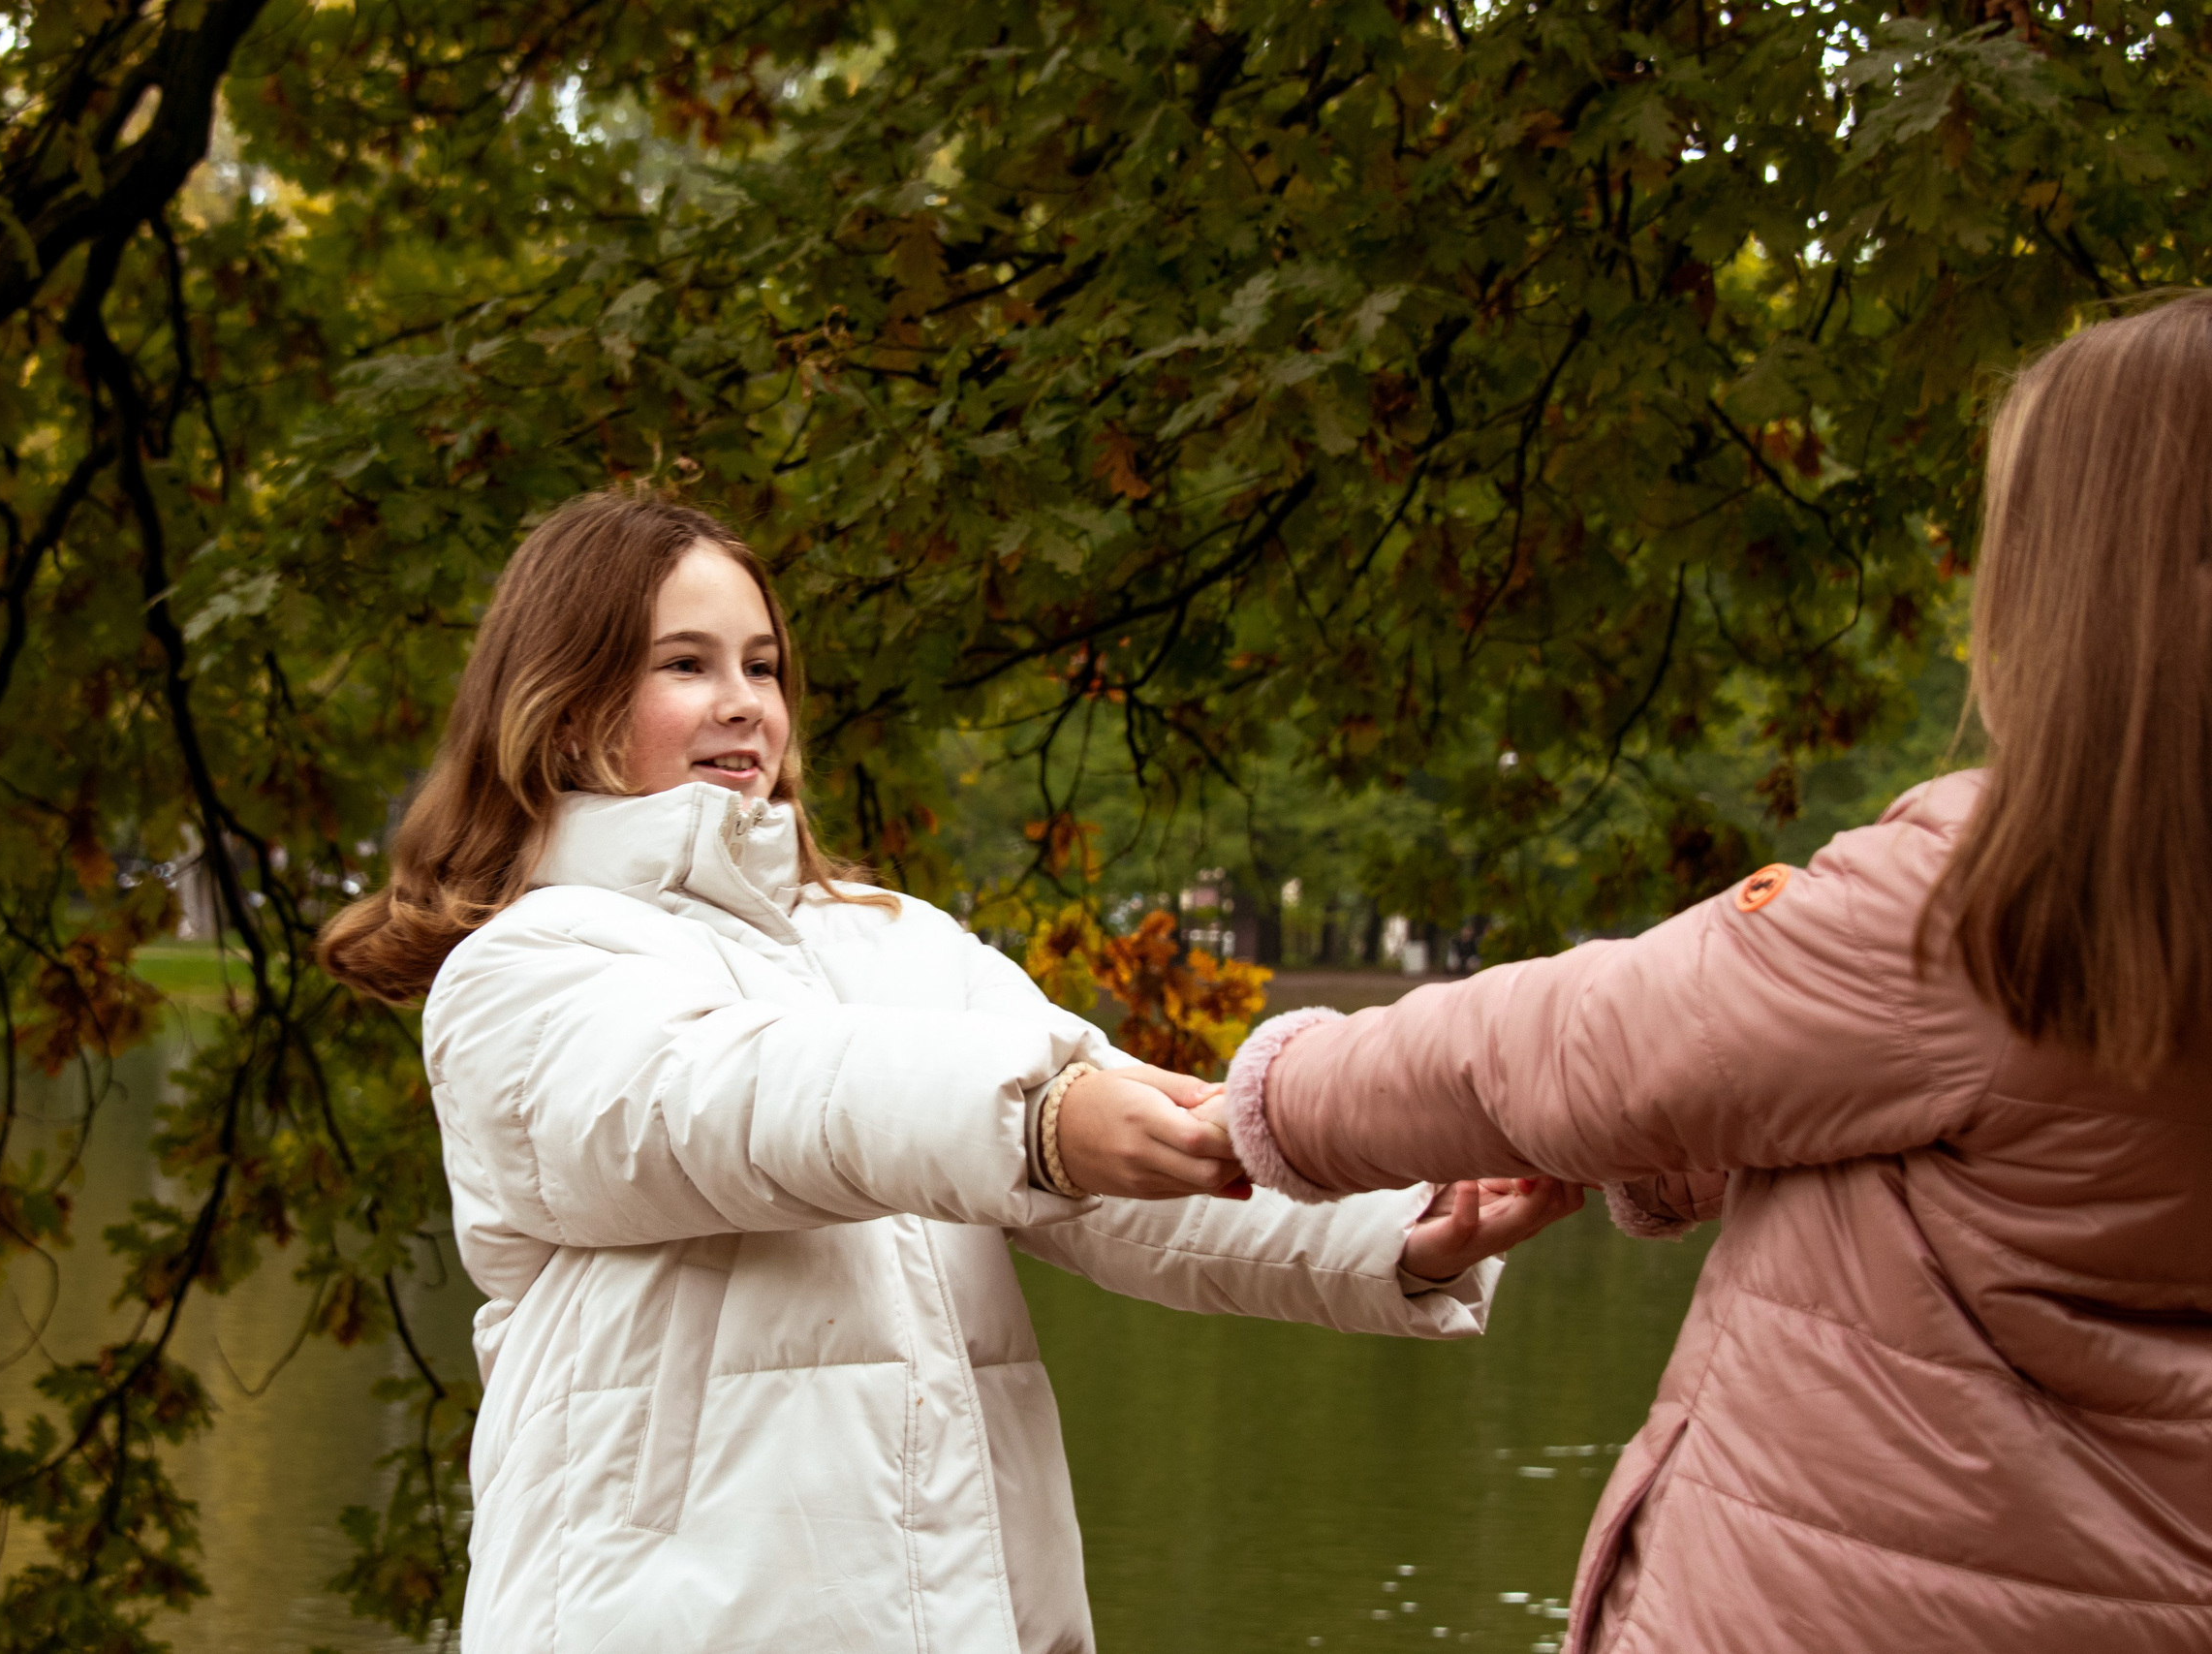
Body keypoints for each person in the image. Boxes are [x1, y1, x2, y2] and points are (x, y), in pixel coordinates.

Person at [317, 489, 1578, 1654]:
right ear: (566, 706)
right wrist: (1037, 1122)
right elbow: (736, 1100)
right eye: (685, 665)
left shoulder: (899, 945)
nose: (745, 701)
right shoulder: (527, 971)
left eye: (764, 665)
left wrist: (1402, 1225)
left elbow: (1129, 1140)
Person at [1215, 294, 2212, 1653]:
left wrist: (1280, 1096)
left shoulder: (1986, 911)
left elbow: (1566, 1048)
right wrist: (1680, 1159)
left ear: (2075, 594)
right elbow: (2037, 1161)